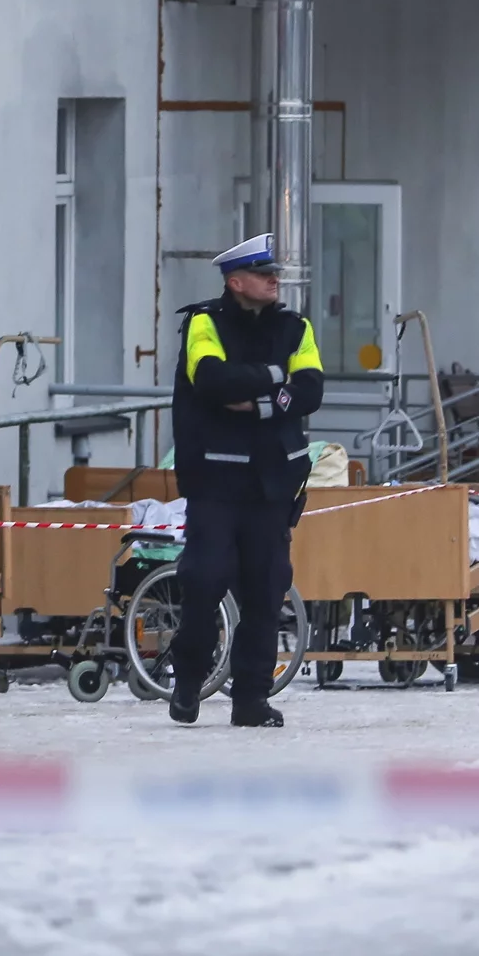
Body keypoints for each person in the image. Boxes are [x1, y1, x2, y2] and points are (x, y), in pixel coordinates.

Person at [165, 233, 324, 728]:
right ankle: (189, 679)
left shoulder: (295, 327)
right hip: (215, 480)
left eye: (275, 274)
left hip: (272, 483)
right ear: (236, 282)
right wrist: (278, 380)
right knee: (204, 580)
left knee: (266, 588)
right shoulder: (203, 323)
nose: (275, 280)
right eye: (264, 274)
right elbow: (211, 381)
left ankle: (251, 698)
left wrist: (258, 394)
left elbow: (312, 389)